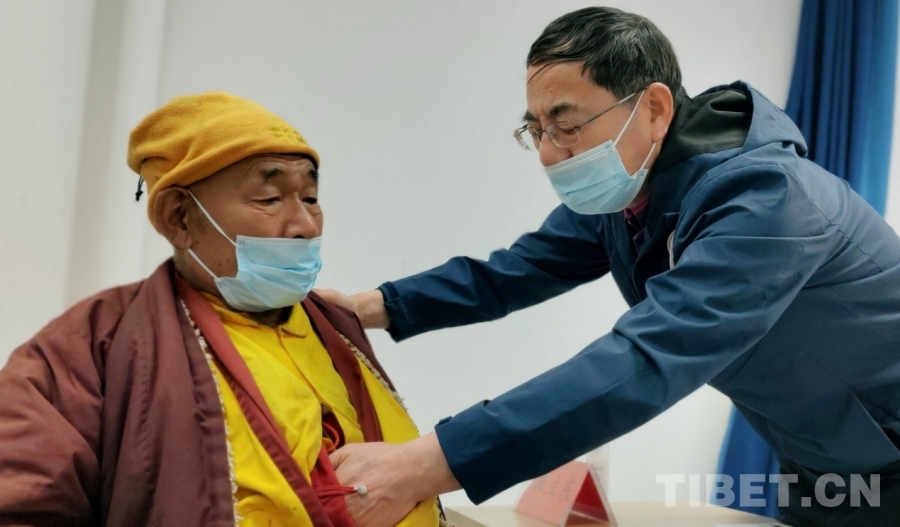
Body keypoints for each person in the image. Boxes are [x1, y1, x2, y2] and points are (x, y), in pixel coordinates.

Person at [322, 7, 900, 527]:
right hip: (819, 454)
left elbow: (648, 357)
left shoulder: (767, 200)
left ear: (654, 109)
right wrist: (364, 308)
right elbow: (515, 271)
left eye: (567, 125)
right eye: (537, 130)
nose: (549, 153)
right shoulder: (632, 193)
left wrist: (424, 464)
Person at [0, 92, 441, 527]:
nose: (305, 226)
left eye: (310, 198)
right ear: (179, 218)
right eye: (270, 199)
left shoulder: (332, 323)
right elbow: (23, 504)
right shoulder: (94, 344)